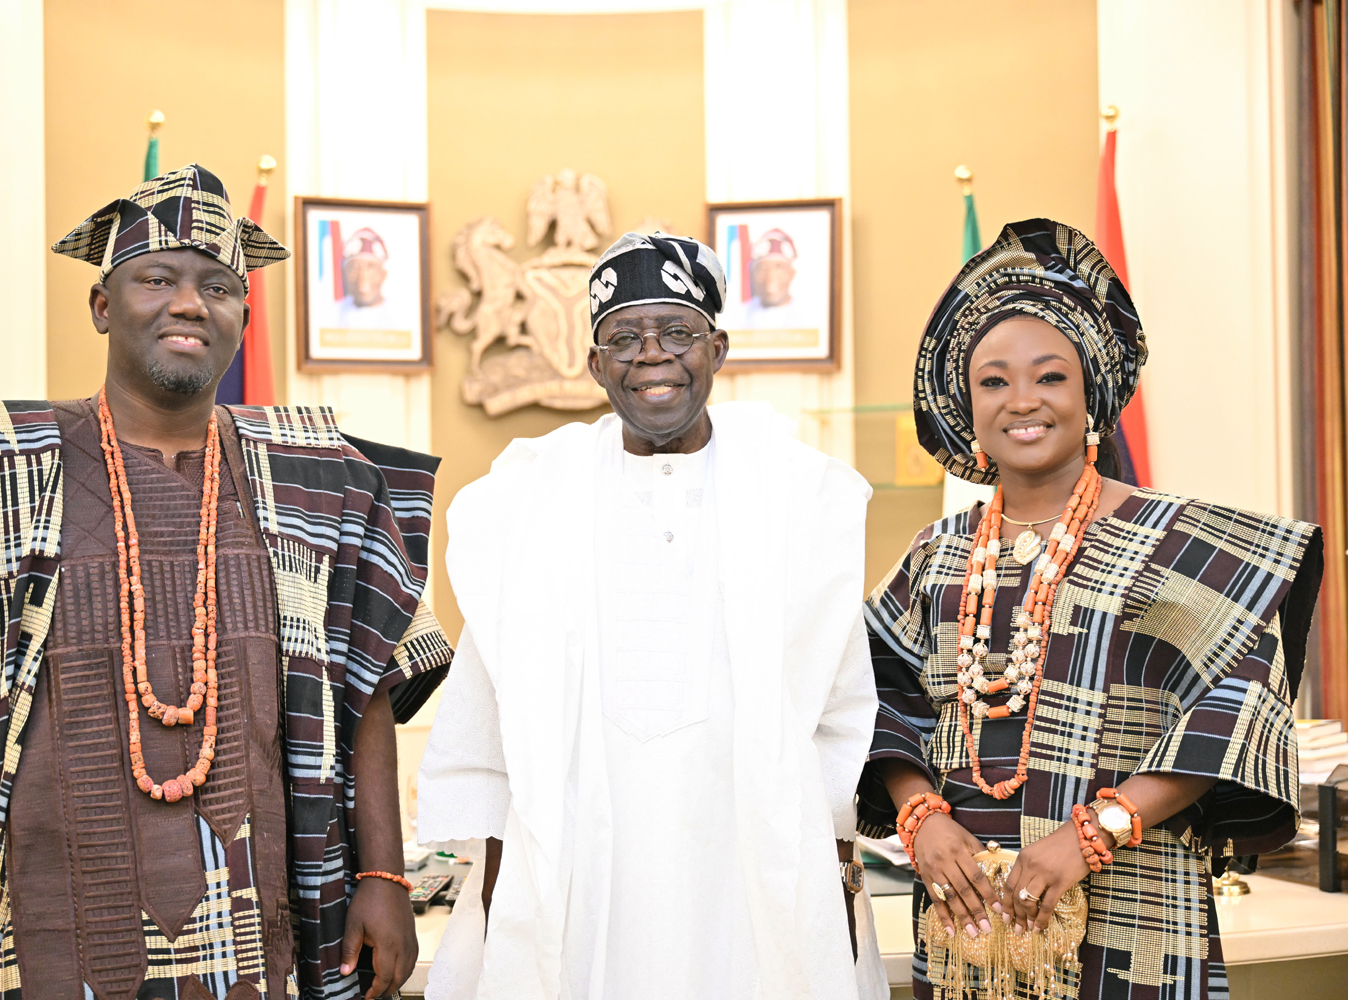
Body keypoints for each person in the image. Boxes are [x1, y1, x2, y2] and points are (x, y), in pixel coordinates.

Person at [0, 164, 452, 1000]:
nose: (189, 303)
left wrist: (383, 877)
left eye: (217, 286)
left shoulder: (318, 482)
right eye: (157, 279)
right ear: (102, 305)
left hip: (258, 938)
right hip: (39, 931)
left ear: (244, 313)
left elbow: (368, 683)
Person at [416, 231, 889, 1000]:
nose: (653, 355)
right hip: (580, 867)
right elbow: (490, 702)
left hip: (751, 864)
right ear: (595, 363)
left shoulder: (803, 495)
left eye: (677, 332)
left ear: (718, 347)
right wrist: (501, 879)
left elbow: (837, 701)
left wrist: (835, 864)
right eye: (625, 337)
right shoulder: (526, 501)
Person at [857, 219, 1323, 1000]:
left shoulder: (1175, 539)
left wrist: (1091, 835)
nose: (1023, 402)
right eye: (994, 382)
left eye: (1050, 377)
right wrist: (921, 821)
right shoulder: (936, 553)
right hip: (968, 923)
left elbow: (1236, 709)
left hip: (1137, 909)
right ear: (966, 407)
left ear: (1092, 393)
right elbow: (873, 701)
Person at [325, 227, 413, 333]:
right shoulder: (329, 316)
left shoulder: (404, 318)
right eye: (355, 267)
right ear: (345, 274)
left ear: (383, 274)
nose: (362, 275)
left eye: (370, 266)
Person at [738, 227, 812, 330]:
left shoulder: (810, 317)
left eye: (778, 267)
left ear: (791, 274)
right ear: (752, 274)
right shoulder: (737, 317)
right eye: (763, 269)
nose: (770, 279)